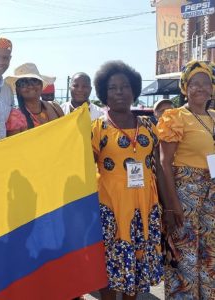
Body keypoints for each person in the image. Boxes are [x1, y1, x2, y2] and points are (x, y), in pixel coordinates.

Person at [91, 61, 167, 300]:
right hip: (111, 207)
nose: (120, 92)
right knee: (109, 264)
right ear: (104, 93)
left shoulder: (148, 127)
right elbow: (82, 169)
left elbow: (160, 169)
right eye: (113, 88)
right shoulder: (97, 128)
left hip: (145, 206)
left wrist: (169, 206)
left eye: (125, 87)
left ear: (134, 91)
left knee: (136, 263)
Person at [157, 60, 215, 299]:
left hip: (211, 193)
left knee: (209, 255)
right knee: (185, 256)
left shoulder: (213, 116)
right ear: (184, 88)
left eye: (206, 82)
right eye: (194, 83)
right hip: (184, 192)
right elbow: (163, 163)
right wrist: (171, 206)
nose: (200, 88)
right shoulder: (174, 117)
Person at [5, 62, 64, 135]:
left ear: (41, 85)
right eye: (23, 82)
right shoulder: (14, 117)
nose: (30, 86)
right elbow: (14, 145)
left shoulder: (55, 108)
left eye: (34, 81)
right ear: (18, 89)